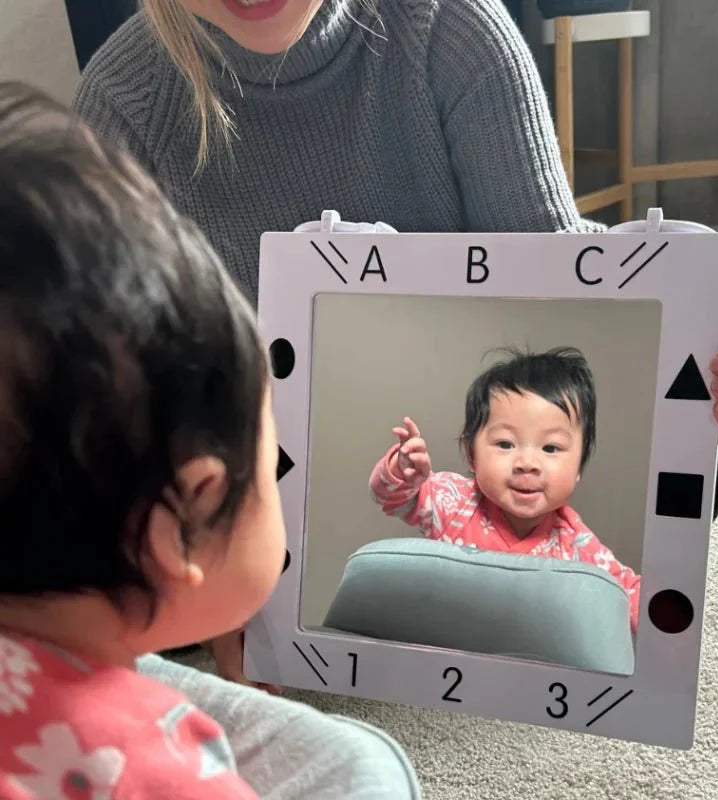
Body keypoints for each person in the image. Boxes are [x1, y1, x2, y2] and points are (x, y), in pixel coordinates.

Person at [72, 0, 718, 684]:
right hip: (230, 456)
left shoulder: (451, 29)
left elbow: (551, 254)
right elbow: (112, 389)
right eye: (505, 443)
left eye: (544, 449)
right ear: (471, 446)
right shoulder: (122, 100)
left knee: (697, 471)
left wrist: (682, 334)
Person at [0, 81, 420, 799]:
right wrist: (404, 478)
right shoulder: (156, 764)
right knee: (369, 773)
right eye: (270, 451)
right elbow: (413, 509)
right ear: (186, 523)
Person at [370, 347, 641, 630]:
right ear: (471, 454)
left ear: (578, 467)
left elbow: (628, 595)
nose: (527, 463)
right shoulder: (452, 501)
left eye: (550, 448)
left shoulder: (577, 545)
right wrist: (403, 472)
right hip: (445, 649)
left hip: (527, 663)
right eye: (505, 444)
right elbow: (389, 497)